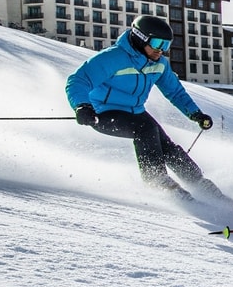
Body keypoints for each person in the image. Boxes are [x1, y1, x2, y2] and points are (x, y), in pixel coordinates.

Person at [65, 16, 218, 200]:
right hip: (102, 112)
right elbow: (78, 80)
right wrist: (82, 106)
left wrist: (195, 114)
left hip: (136, 112)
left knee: (165, 145)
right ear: (140, 38)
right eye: (157, 43)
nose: (161, 50)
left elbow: (175, 92)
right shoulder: (113, 57)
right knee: (146, 129)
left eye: (166, 45)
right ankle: (156, 181)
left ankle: (198, 182)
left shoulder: (159, 64)